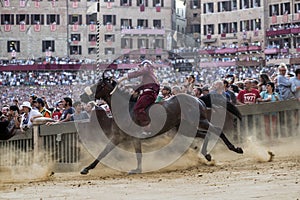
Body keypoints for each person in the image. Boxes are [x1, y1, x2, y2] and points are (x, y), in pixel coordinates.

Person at [117, 59, 160, 134]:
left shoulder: (147, 67)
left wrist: (124, 78)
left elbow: (140, 72)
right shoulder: (148, 77)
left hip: (148, 94)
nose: (140, 68)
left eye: (140, 66)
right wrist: (129, 85)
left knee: (137, 108)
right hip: (149, 93)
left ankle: (147, 127)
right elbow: (140, 86)